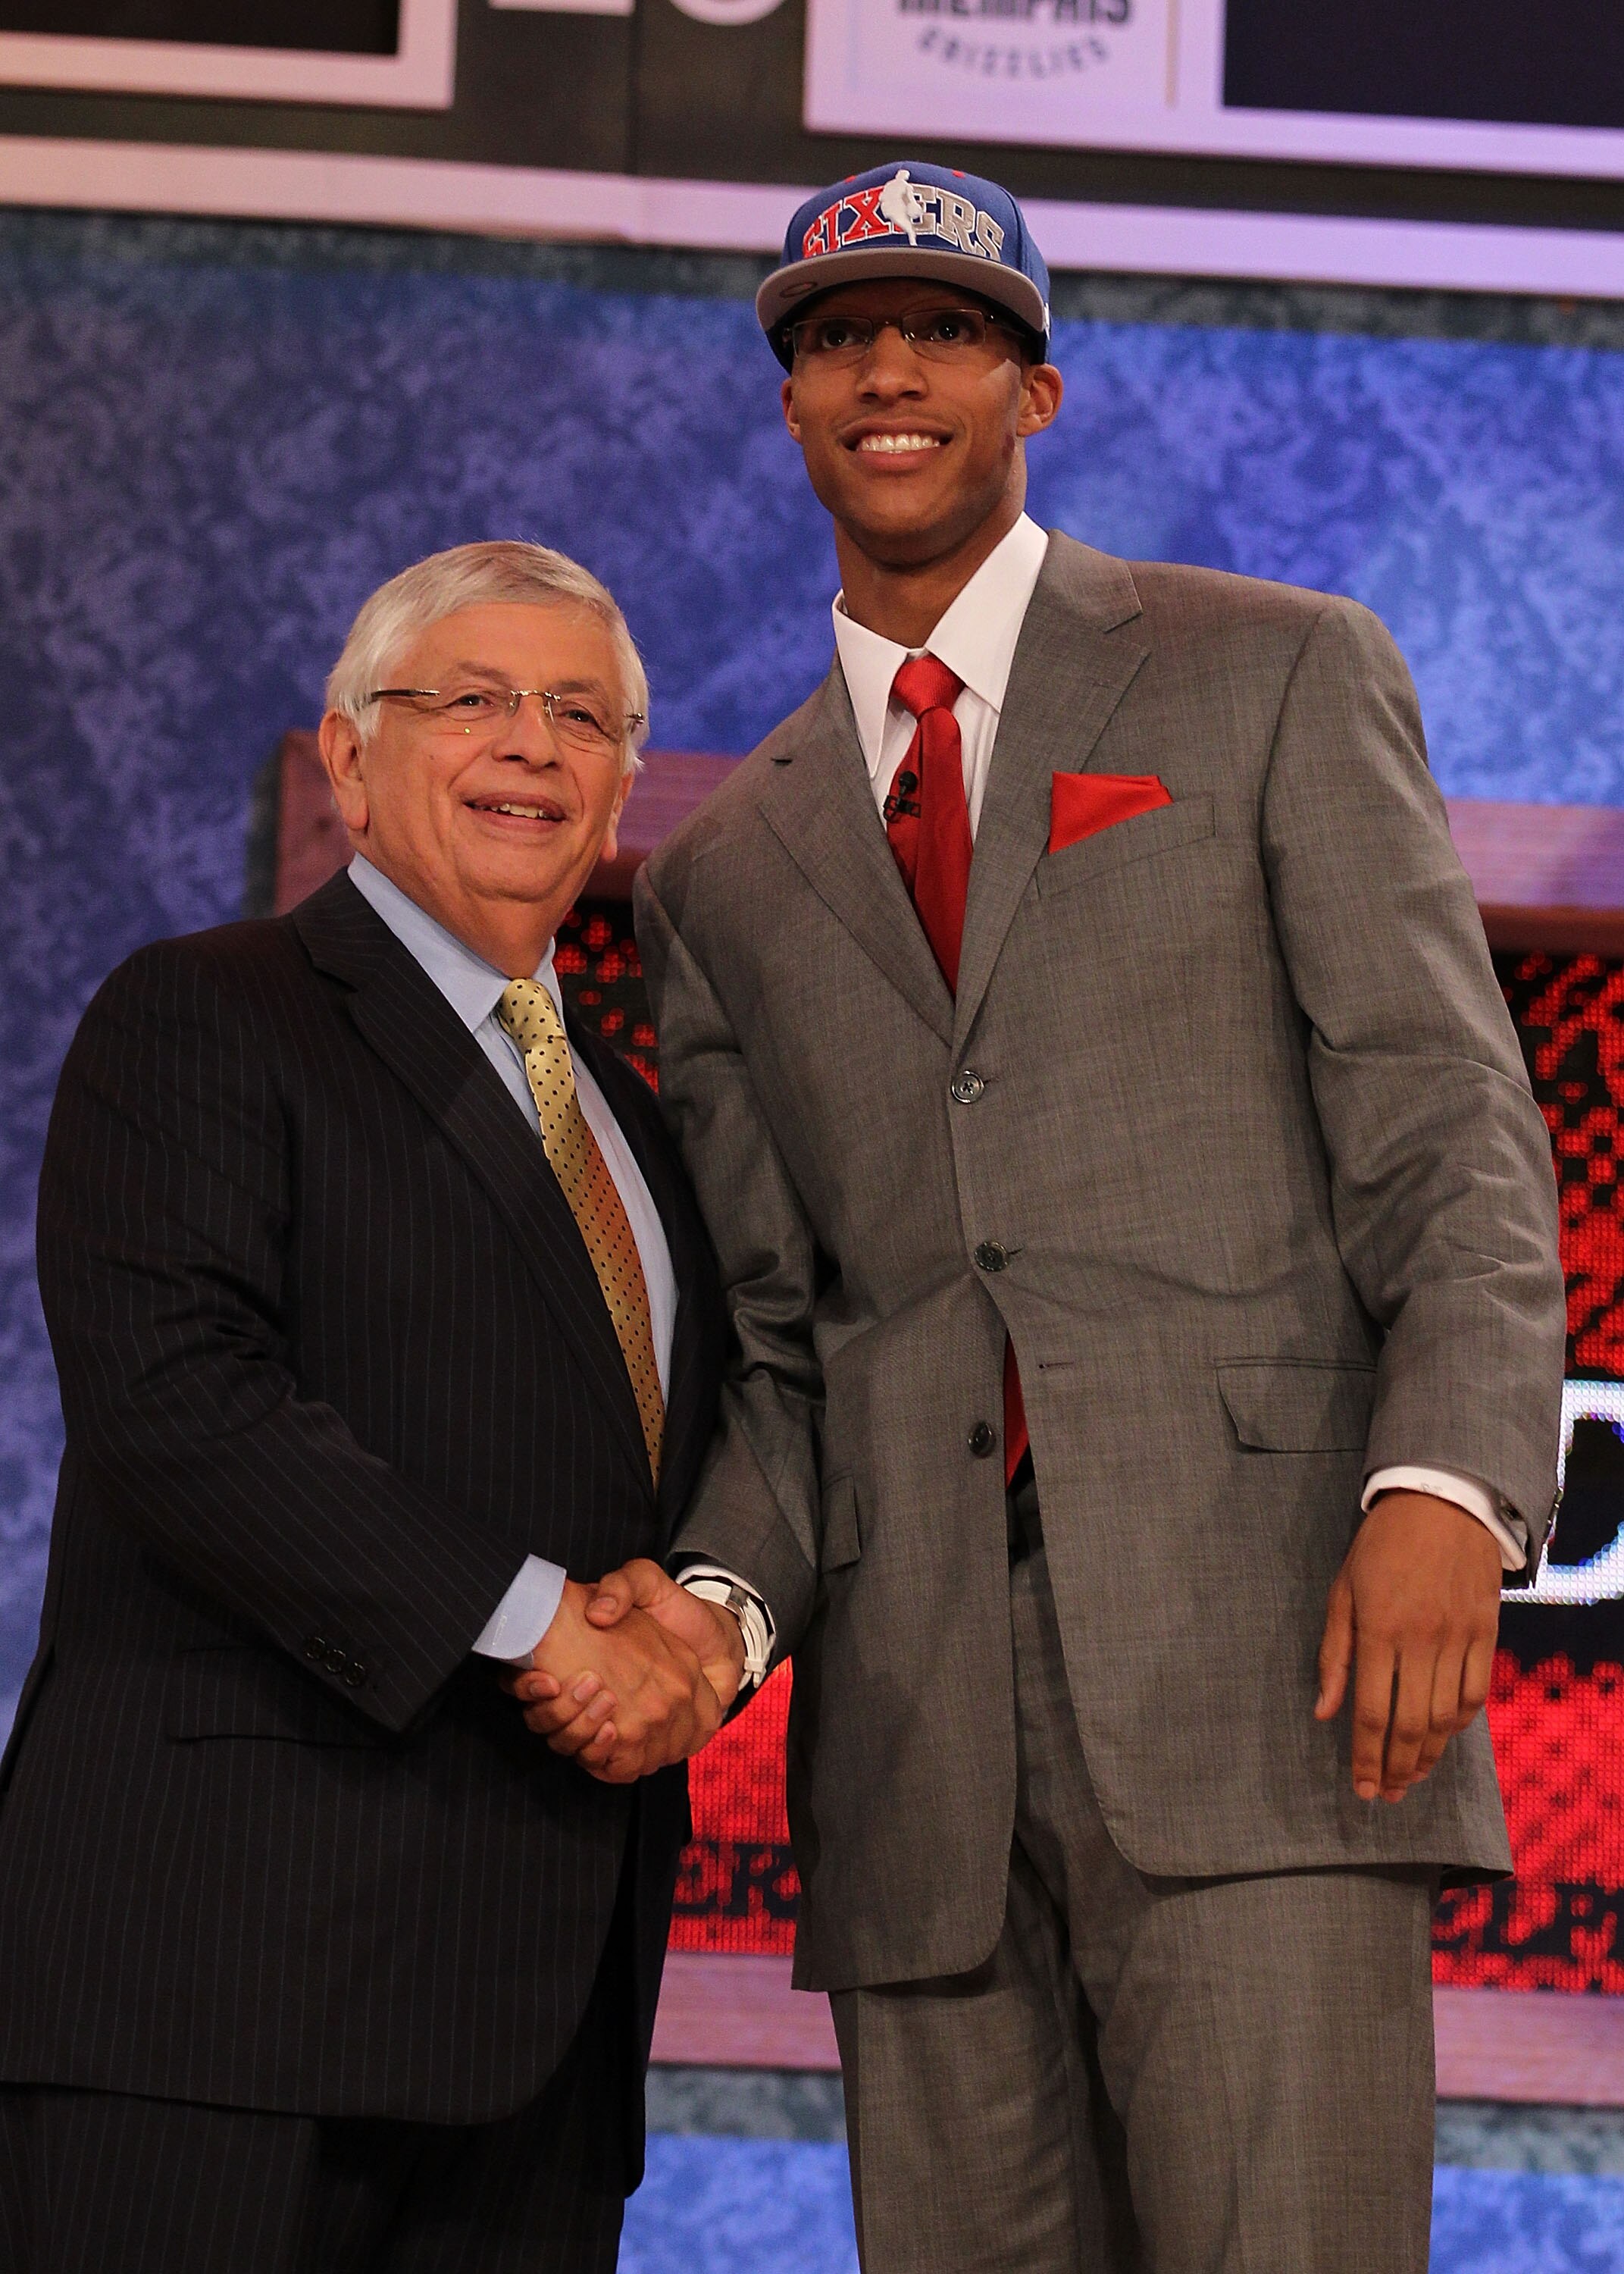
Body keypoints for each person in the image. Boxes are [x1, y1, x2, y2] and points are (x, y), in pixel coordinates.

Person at [521, 165, 1568, 2270]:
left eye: (947, 329)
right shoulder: (723, 873)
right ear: (792, 402)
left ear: (1039, 389)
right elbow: (792, 1350)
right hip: (915, 1763)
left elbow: (1449, 1130)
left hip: (1264, 1675)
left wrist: (1449, 1479)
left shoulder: (1270, 671)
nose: (887, 367)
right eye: (834, 335)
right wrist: (717, 1615)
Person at [0, 540, 743, 2272]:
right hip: (217, 1999)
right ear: (348, 755)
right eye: (471, 699)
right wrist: (545, 1626)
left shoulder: (639, 1127)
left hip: (537, 2031)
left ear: (626, 785)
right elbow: (187, 1407)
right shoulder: (207, 1012)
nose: (533, 746)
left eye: (582, 715)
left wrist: (706, 1634)